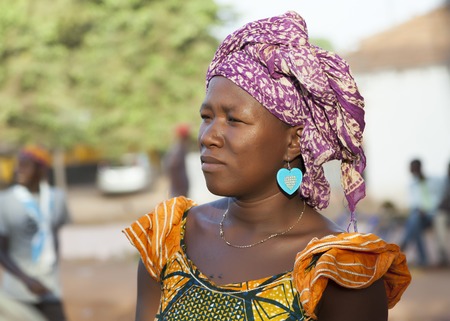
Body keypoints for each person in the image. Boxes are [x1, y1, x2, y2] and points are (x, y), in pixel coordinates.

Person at [123, 12, 411, 321]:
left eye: (234, 120)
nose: (208, 137)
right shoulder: (170, 240)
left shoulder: (337, 271)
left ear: (293, 142)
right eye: (206, 117)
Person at [0, 145, 70, 321]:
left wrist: (50, 270)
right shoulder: (5, 201)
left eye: (25, 165)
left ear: (40, 169)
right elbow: (1, 250)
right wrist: (27, 280)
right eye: (18, 164)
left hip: (49, 288)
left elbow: (53, 237)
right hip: (17, 293)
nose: (18, 170)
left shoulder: (57, 198)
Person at [400, 159, 441, 267]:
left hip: (433, 214)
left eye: (413, 168)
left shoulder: (434, 180)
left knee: (413, 221)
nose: (411, 171)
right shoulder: (412, 185)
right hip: (418, 215)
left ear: (419, 167)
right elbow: (414, 204)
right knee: (415, 222)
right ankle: (423, 259)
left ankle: (404, 244)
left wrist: (427, 209)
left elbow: (439, 198)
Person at [165, 123, 191, 197]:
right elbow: (173, 165)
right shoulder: (178, 148)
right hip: (178, 190)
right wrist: (180, 189)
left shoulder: (180, 147)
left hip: (179, 189)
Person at [434, 161, 450, 266]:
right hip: (446, 212)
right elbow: (441, 202)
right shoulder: (444, 182)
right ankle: (442, 255)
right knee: (439, 219)